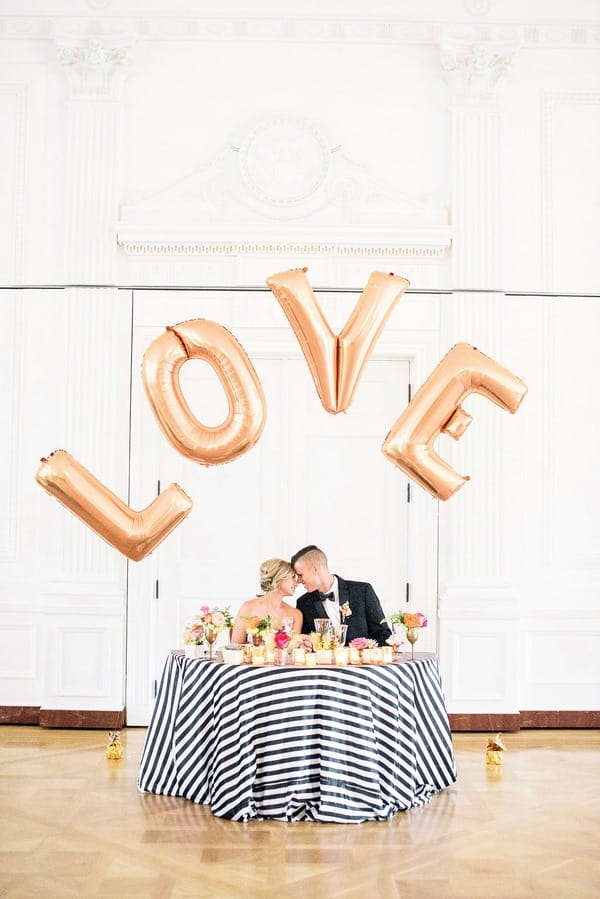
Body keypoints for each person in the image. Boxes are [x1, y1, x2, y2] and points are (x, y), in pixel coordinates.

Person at [291, 545, 391, 646]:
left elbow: (383, 634)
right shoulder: (303, 603)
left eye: (300, 575)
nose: (298, 581)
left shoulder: (362, 591)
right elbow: (306, 644)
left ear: (315, 569)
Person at [230, 558, 303, 644]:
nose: (297, 583)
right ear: (279, 578)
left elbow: (293, 652)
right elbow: (235, 648)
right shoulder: (248, 607)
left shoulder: (296, 614)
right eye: (293, 577)